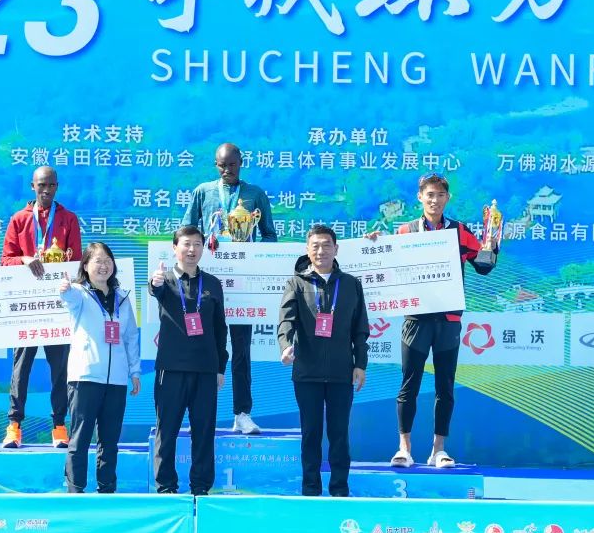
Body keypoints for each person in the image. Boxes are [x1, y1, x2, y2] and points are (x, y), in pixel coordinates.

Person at [377, 174, 497, 469]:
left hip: (448, 319)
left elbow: (483, 266)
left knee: (445, 387)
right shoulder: (405, 231)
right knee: (409, 385)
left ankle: (438, 450)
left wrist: (492, 245)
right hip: (416, 318)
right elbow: (386, 267)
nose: (434, 200)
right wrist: (374, 246)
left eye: (440, 195)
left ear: (447, 198)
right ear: (420, 197)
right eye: (429, 195)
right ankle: (404, 448)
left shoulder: (459, 231)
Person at [183, 142, 276, 435]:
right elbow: (186, 231)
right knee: (203, 347)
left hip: (243, 284)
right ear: (216, 165)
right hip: (208, 284)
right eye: (221, 166)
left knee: (241, 350)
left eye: (232, 165)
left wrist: (251, 254)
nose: (226, 170)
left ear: (241, 163)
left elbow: (269, 235)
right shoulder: (203, 192)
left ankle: (242, 413)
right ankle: (199, 413)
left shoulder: (255, 194)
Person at [278, 224, 368, 497]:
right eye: (315, 246)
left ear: (336, 249)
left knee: (339, 434)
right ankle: (311, 490)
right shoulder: (297, 283)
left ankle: (340, 490)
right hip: (307, 372)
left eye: (326, 245)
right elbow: (286, 321)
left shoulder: (351, 284)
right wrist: (286, 346)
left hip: (342, 372)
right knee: (311, 433)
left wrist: (360, 364)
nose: (321, 251)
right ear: (308, 250)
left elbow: (360, 329)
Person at [0, 166, 83, 449]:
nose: (46, 190)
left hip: (57, 307)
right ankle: (14, 426)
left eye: (51, 185)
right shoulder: (19, 219)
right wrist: (24, 259)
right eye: (41, 185)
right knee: (21, 367)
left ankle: (59, 426)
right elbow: (5, 261)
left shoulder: (68, 219)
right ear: (32, 186)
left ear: (57, 187)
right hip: (27, 307)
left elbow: (77, 263)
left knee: (60, 369)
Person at [148, 225, 229, 495]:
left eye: (197, 244)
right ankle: (166, 488)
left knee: (204, 432)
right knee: (167, 431)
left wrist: (220, 367)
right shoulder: (165, 280)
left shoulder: (213, 283)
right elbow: (155, 290)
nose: (192, 249)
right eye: (186, 244)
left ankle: (200, 489)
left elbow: (220, 329)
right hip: (171, 369)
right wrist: (155, 282)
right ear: (175, 248)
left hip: (205, 370)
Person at [58, 242, 141, 493]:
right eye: (97, 261)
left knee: (110, 439)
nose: (103, 266)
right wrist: (65, 290)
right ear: (85, 266)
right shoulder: (79, 294)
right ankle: (76, 489)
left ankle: (107, 488)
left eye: (108, 260)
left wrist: (134, 371)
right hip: (85, 377)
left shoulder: (123, 298)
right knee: (81, 437)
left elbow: (130, 337)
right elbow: (69, 298)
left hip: (116, 380)